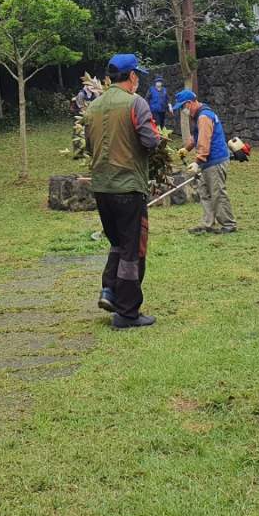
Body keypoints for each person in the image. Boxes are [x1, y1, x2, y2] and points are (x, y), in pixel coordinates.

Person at [83, 53, 163, 329]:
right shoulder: (135, 102)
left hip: (101, 188)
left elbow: (89, 146)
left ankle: (110, 291)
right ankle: (127, 313)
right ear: (131, 77)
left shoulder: (92, 107)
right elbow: (150, 140)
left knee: (117, 243)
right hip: (128, 187)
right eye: (137, 74)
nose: (138, 79)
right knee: (132, 251)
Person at [173, 88, 237, 234]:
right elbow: (196, 137)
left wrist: (197, 161)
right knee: (204, 191)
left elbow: (204, 141)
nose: (183, 110)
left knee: (217, 192)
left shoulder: (203, 117)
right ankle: (208, 223)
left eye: (183, 107)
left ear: (189, 103)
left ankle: (228, 224)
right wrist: (186, 148)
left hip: (215, 160)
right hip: (209, 161)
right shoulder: (199, 115)